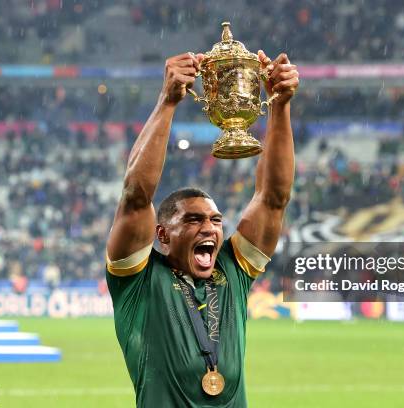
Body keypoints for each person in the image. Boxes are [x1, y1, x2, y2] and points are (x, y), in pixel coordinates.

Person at [105, 50, 299, 407]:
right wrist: (167, 101)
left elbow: (273, 198)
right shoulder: (138, 282)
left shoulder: (233, 271)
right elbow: (136, 196)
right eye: (193, 220)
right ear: (162, 235)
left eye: (214, 220)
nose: (208, 228)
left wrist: (280, 105)